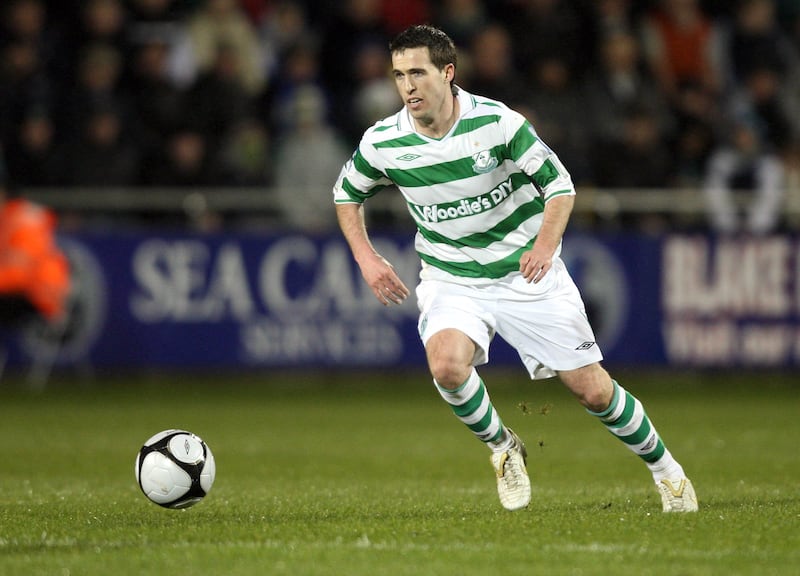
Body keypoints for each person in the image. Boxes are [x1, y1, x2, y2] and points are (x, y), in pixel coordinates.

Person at [333, 25, 698, 513]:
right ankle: (503, 448)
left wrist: (545, 246)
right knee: (445, 364)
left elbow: (560, 186)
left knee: (592, 390)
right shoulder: (384, 141)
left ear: (447, 72)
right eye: (399, 75)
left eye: (417, 73)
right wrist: (366, 256)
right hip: (452, 276)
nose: (408, 86)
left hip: (525, 274)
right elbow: (345, 194)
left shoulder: (497, 124)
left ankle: (667, 471)